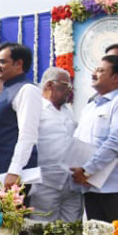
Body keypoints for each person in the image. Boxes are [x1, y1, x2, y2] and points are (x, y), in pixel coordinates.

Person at [0, 43, 41, 188]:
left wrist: (15, 170)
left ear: (18, 64)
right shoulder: (6, 91)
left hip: (9, 177)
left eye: (2, 62)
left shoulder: (27, 90)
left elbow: (28, 134)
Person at [73, 55, 118, 222]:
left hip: (114, 189)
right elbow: (78, 141)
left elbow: (116, 141)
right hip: (89, 187)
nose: (94, 73)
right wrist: (78, 170)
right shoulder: (90, 106)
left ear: (116, 77)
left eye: (101, 70)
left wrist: (88, 170)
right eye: (95, 69)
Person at [31, 66, 80, 222]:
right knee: (43, 234)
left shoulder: (68, 110)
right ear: (50, 85)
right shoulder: (35, 109)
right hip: (45, 184)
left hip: (72, 183)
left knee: (73, 234)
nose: (69, 91)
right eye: (66, 86)